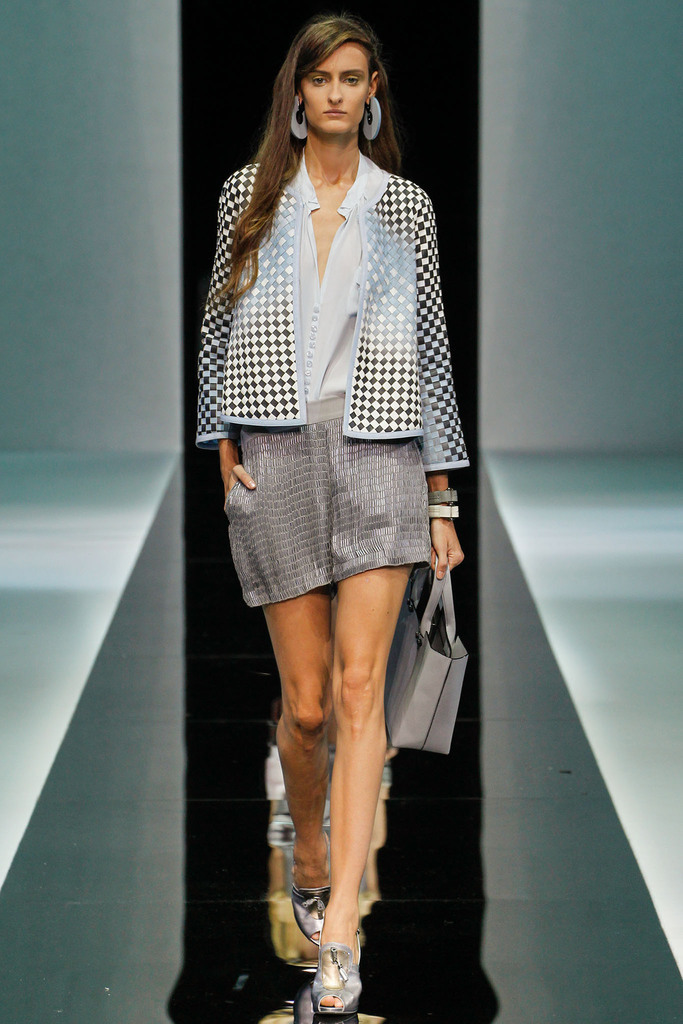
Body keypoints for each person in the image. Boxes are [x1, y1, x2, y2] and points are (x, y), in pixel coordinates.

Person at [196, 13, 469, 1014]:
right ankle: (306, 851)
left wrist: (440, 495)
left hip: (380, 451)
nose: (337, 95)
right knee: (305, 706)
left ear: (372, 92)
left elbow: (431, 347)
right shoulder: (249, 196)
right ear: (297, 94)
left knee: (362, 693)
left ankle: (342, 928)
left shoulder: (404, 207)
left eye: (352, 78)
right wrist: (219, 441)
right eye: (320, 79)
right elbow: (216, 324)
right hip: (275, 450)